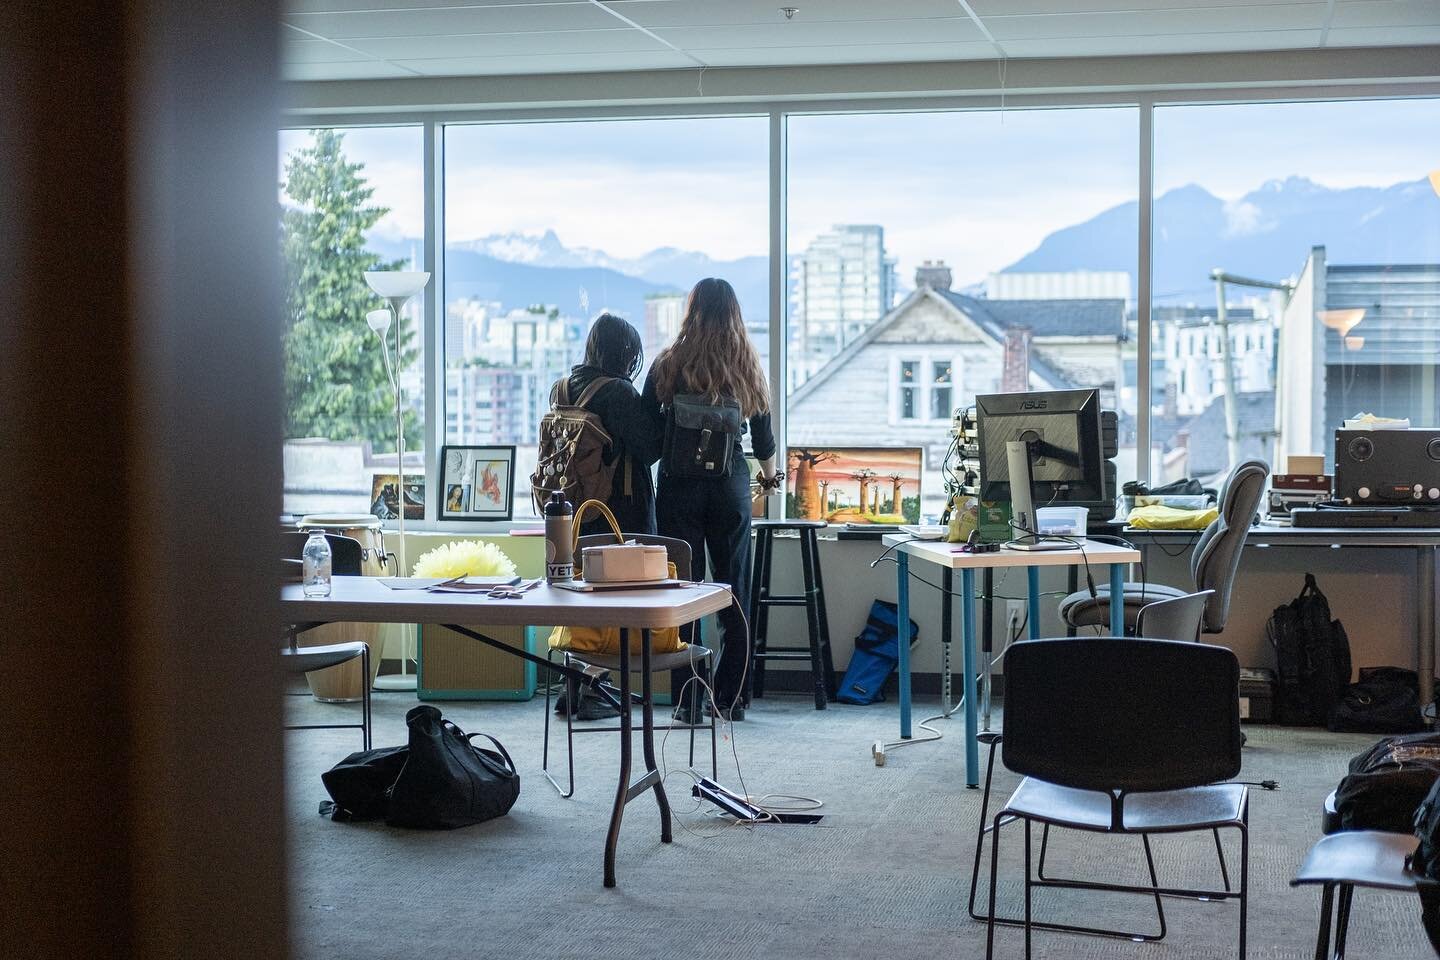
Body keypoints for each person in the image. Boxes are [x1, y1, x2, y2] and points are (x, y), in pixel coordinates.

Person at [643, 278, 779, 721]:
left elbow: (647, 440)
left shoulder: (669, 362)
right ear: (734, 313)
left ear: (692, 310)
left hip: (679, 488)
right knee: (733, 590)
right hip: (729, 486)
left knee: (682, 592)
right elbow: (763, 440)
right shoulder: (747, 366)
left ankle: (687, 701)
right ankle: (731, 697)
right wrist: (770, 479)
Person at [553, 313, 660, 538]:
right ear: (625, 354)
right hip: (619, 511)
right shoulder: (619, 392)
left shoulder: (561, 390)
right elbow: (649, 448)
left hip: (573, 503)